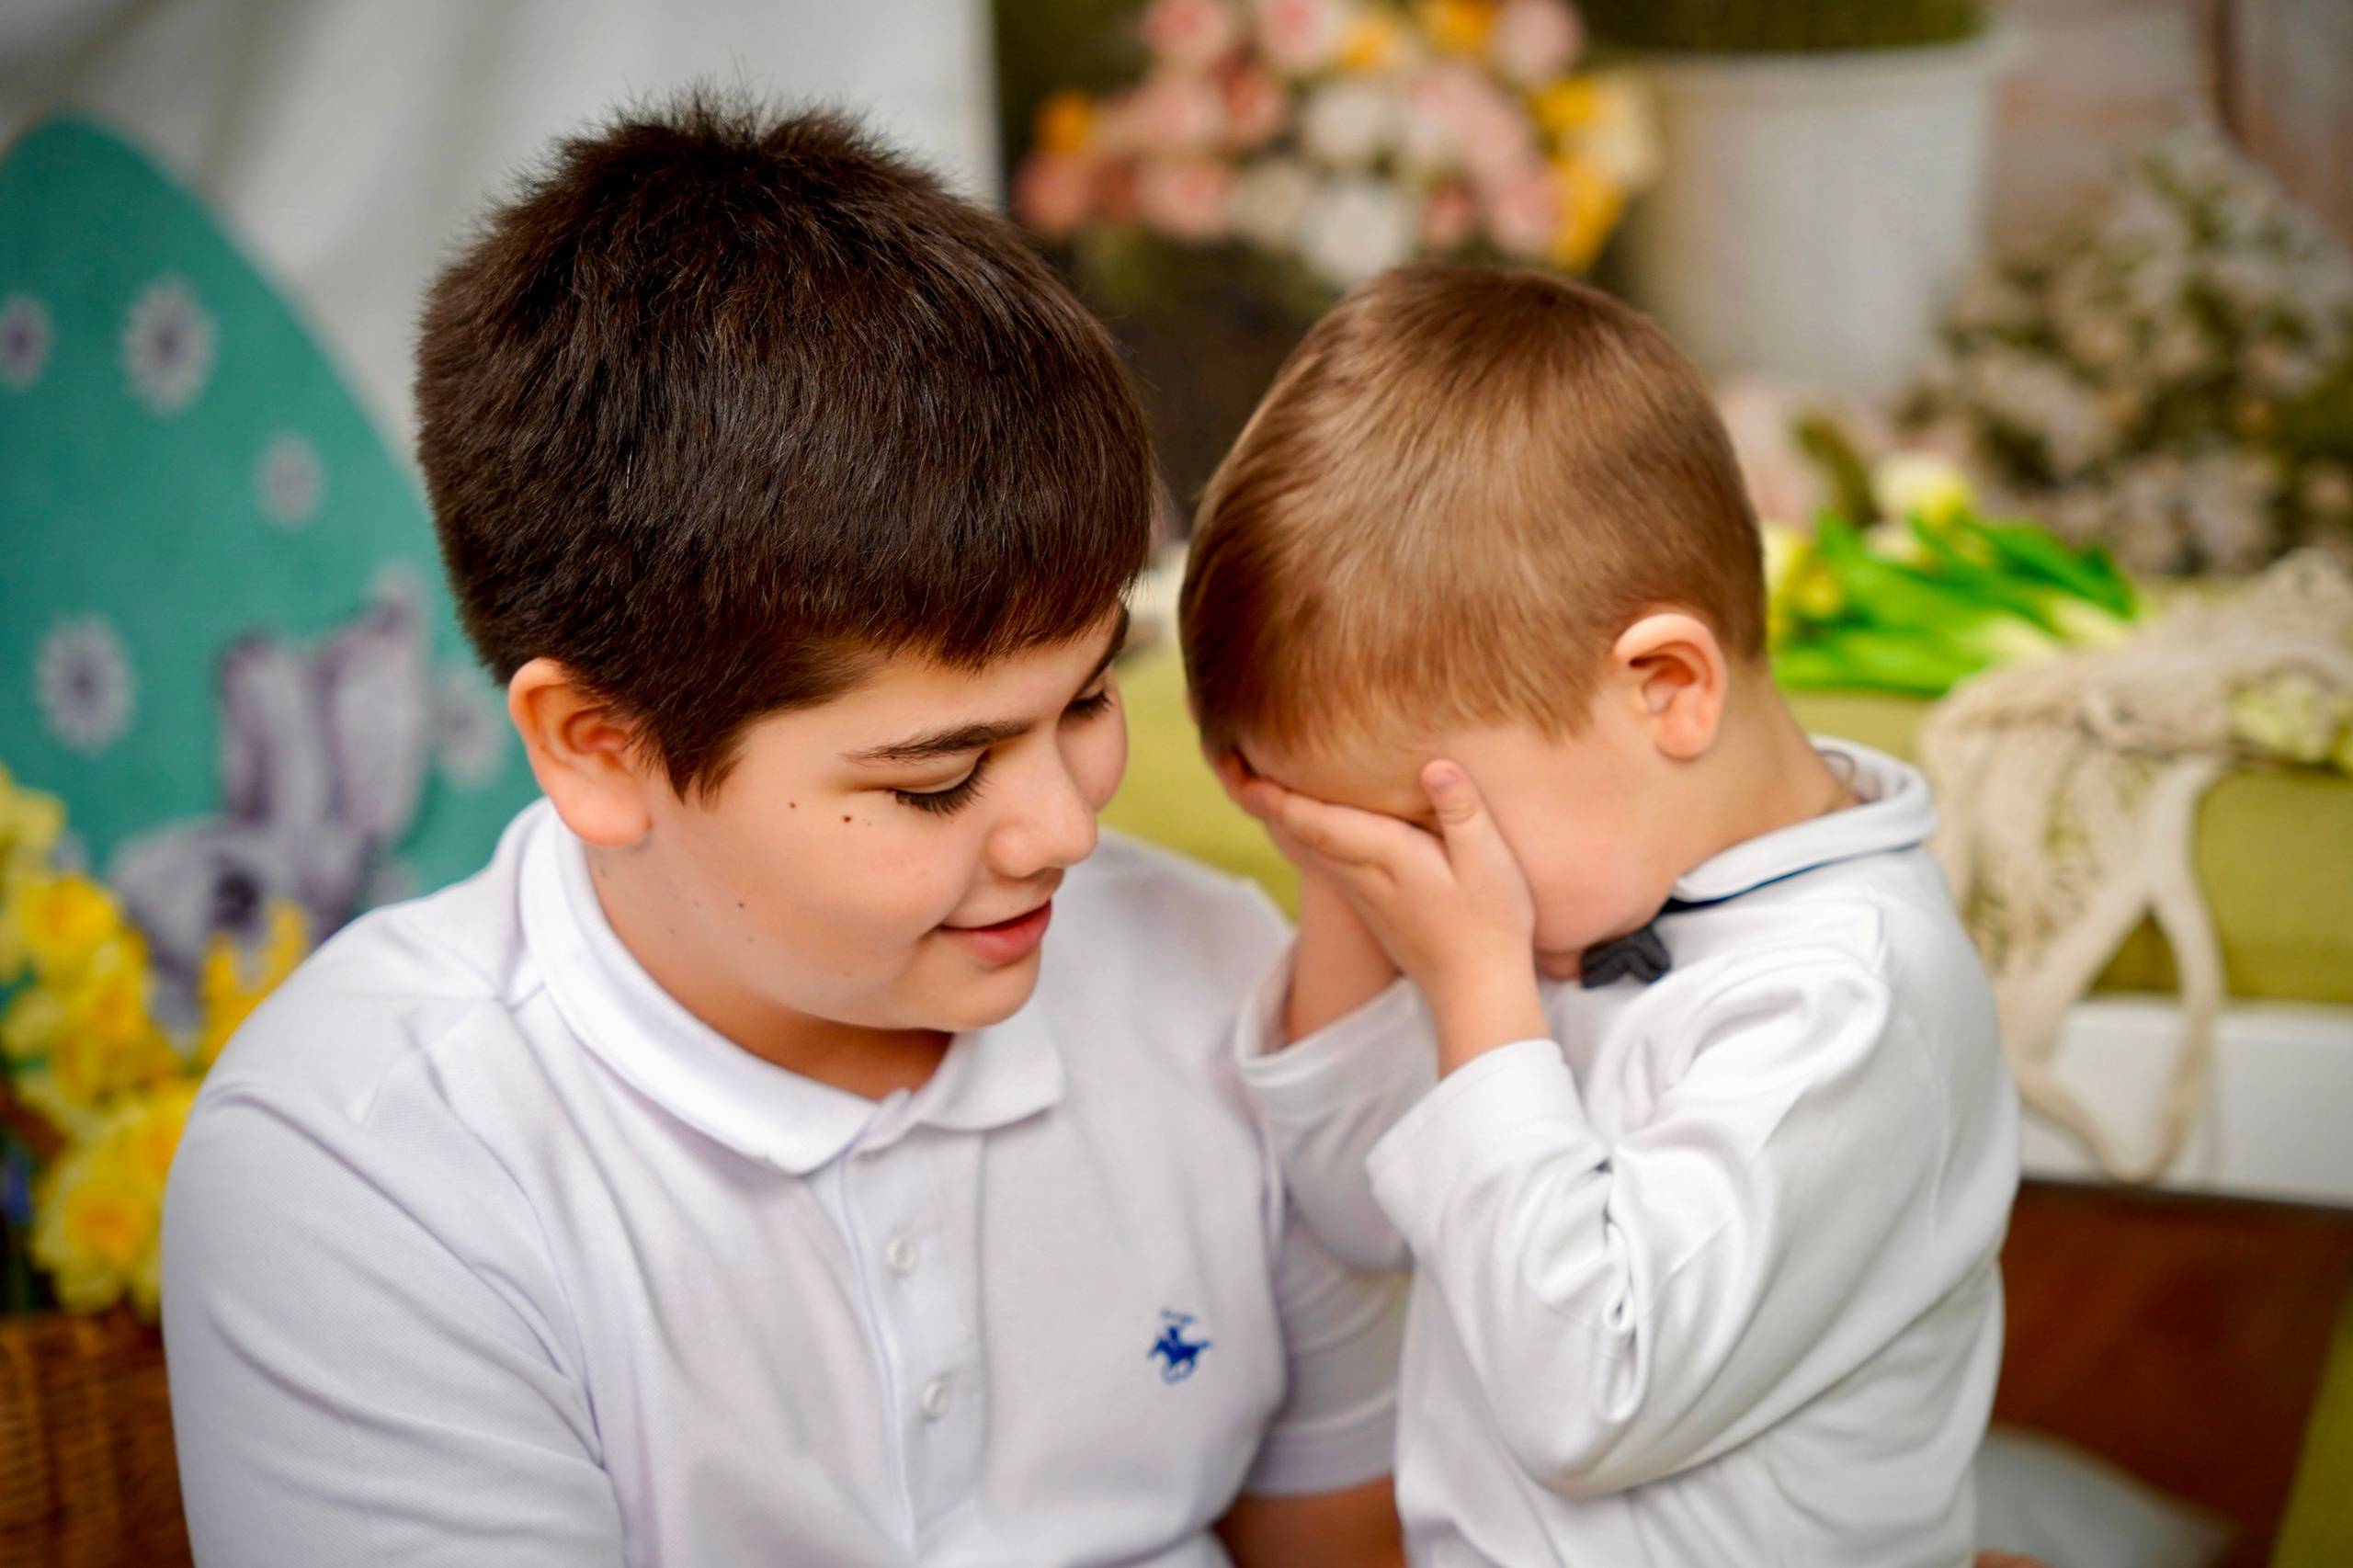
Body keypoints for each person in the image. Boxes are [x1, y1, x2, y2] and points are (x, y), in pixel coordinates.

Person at [159, 100, 1406, 1568]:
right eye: (940, 778)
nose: (1065, 828)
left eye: (1083, 701)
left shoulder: (1223, 981)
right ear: (599, 747)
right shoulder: (374, 1169)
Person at [1179, 263, 2020, 1567]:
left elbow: (1591, 1392)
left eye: (1418, 824)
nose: (1426, 887)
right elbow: (1362, 1210)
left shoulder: (1848, 993)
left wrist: (1477, 997)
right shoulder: (1587, 878)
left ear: (1667, 686)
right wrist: (1339, 877)